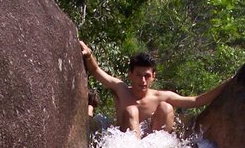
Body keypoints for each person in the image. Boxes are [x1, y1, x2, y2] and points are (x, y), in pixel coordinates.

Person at [79, 41, 228, 138]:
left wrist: (229, 84)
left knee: (166, 107)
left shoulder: (160, 96)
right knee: (132, 111)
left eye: (146, 76)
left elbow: (196, 100)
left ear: (153, 77)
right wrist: (89, 54)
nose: (142, 80)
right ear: (130, 75)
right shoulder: (121, 89)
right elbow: (96, 71)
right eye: (138, 75)